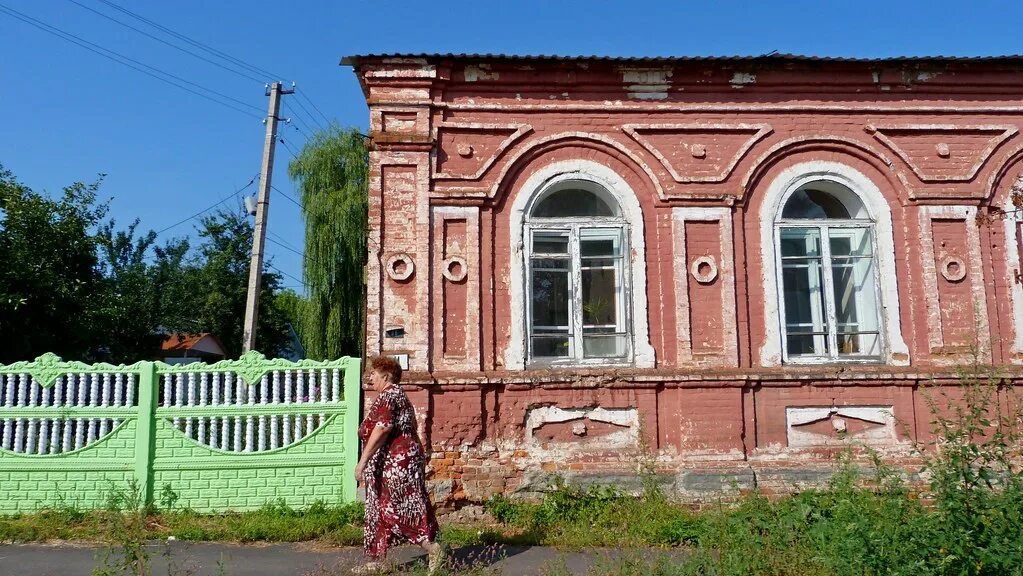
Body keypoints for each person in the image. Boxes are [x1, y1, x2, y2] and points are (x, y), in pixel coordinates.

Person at [352, 355, 443, 574]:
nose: (370, 377)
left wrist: (362, 462)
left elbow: (382, 428)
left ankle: (432, 548)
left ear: (386, 374)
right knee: (379, 509)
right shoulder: (391, 396)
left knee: (397, 507)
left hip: (397, 464)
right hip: (391, 462)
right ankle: (377, 561)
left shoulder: (390, 395)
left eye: (373, 373)